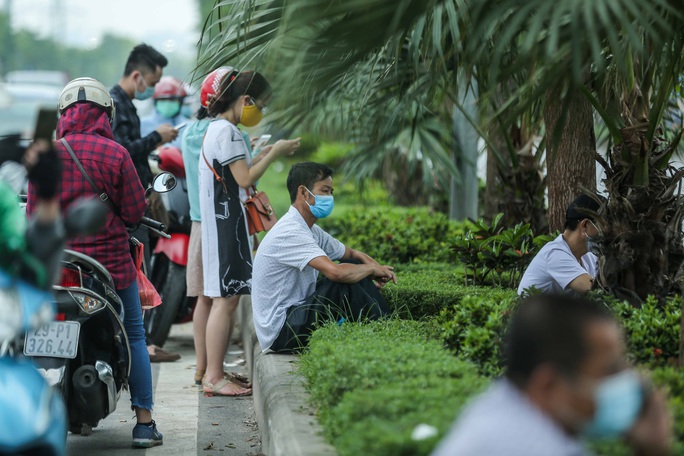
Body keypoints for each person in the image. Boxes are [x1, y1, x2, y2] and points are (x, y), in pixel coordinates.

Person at [27, 77, 164, 448]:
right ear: (106, 115)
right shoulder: (116, 154)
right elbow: (136, 211)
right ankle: (144, 424)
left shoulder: (46, 153)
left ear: (64, 115)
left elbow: (31, 216)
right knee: (135, 334)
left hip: (55, 268)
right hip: (108, 269)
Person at [431, 293, 671, 456]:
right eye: (610, 371)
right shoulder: (528, 447)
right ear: (546, 385)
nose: (629, 380)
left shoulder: (501, 407)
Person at [198, 69, 300, 396]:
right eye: (260, 105)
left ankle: (215, 372)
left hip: (224, 223)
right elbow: (244, 179)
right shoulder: (226, 131)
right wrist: (276, 152)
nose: (261, 112)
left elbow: (238, 172)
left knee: (224, 301)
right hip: (225, 225)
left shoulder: (220, 129)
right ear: (244, 100)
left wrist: (264, 153)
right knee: (225, 301)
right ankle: (213, 377)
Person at [251, 162, 397, 353]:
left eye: (331, 192)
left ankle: (385, 328)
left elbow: (353, 254)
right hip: (281, 332)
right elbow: (336, 273)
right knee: (342, 284)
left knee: (352, 265)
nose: (330, 197)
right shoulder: (291, 231)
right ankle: (387, 333)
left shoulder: (310, 229)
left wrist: (378, 270)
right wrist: (370, 270)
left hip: (296, 313)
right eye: (325, 191)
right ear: (303, 193)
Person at [110, 43, 179, 362]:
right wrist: (156, 138)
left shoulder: (125, 104)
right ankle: (140, 343)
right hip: (125, 210)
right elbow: (122, 151)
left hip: (133, 201)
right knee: (136, 274)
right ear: (137, 75)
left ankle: (141, 341)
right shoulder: (116, 105)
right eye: (150, 84)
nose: (149, 90)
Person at [518, 195, 601, 295]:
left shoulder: (588, 257)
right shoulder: (554, 254)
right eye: (604, 224)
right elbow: (596, 291)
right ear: (585, 225)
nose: (607, 231)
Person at [140, 75, 188, 148]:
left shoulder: (189, 127)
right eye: (162, 100)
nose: (167, 104)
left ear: (181, 101)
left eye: (172, 100)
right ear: (155, 102)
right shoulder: (141, 125)